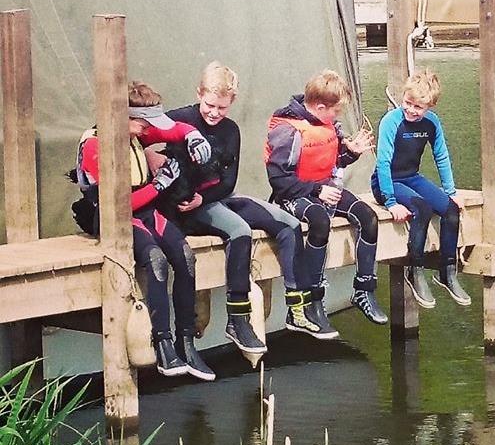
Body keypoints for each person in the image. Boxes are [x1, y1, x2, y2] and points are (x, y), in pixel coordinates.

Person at [163, 61, 338, 351]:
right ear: (199, 94)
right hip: (184, 207)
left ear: (232, 102)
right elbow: (139, 129)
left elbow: (227, 182)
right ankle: (238, 318)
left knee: (289, 224)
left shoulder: (230, 130)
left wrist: (203, 198)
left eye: (222, 107)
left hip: (211, 198)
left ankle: (298, 309)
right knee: (239, 230)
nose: (214, 113)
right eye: (209, 105)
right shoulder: (179, 119)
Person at [72, 81, 217, 380]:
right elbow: (116, 204)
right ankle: (162, 344)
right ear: (126, 118)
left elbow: (173, 129)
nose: (149, 131)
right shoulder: (96, 145)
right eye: (145, 124)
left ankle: (186, 343)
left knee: (186, 256)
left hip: (147, 210)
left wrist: (193, 135)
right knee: (156, 260)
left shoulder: (135, 130)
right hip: (116, 218)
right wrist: (159, 185)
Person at [265, 69, 388, 325]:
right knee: (320, 221)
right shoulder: (289, 132)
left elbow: (333, 162)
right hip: (295, 193)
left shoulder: (327, 124)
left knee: (368, 217)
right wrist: (316, 190)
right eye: (336, 111)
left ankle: (364, 290)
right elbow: (278, 179)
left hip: (325, 188)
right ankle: (313, 298)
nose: (337, 116)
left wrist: (351, 153)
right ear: (320, 107)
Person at [371, 68, 471, 308]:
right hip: (386, 182)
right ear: (403, 97)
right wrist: (391, 201)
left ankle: (447, 271)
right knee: (422, 208)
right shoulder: (391, 121)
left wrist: (451, 192)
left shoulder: (431, 123)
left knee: (450, 211)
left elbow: (441, 156)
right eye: (408, 103)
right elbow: (383, 162)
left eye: (418, 107)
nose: (411, 111)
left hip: (412, 177)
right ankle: (414, 270)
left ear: (430, 106)